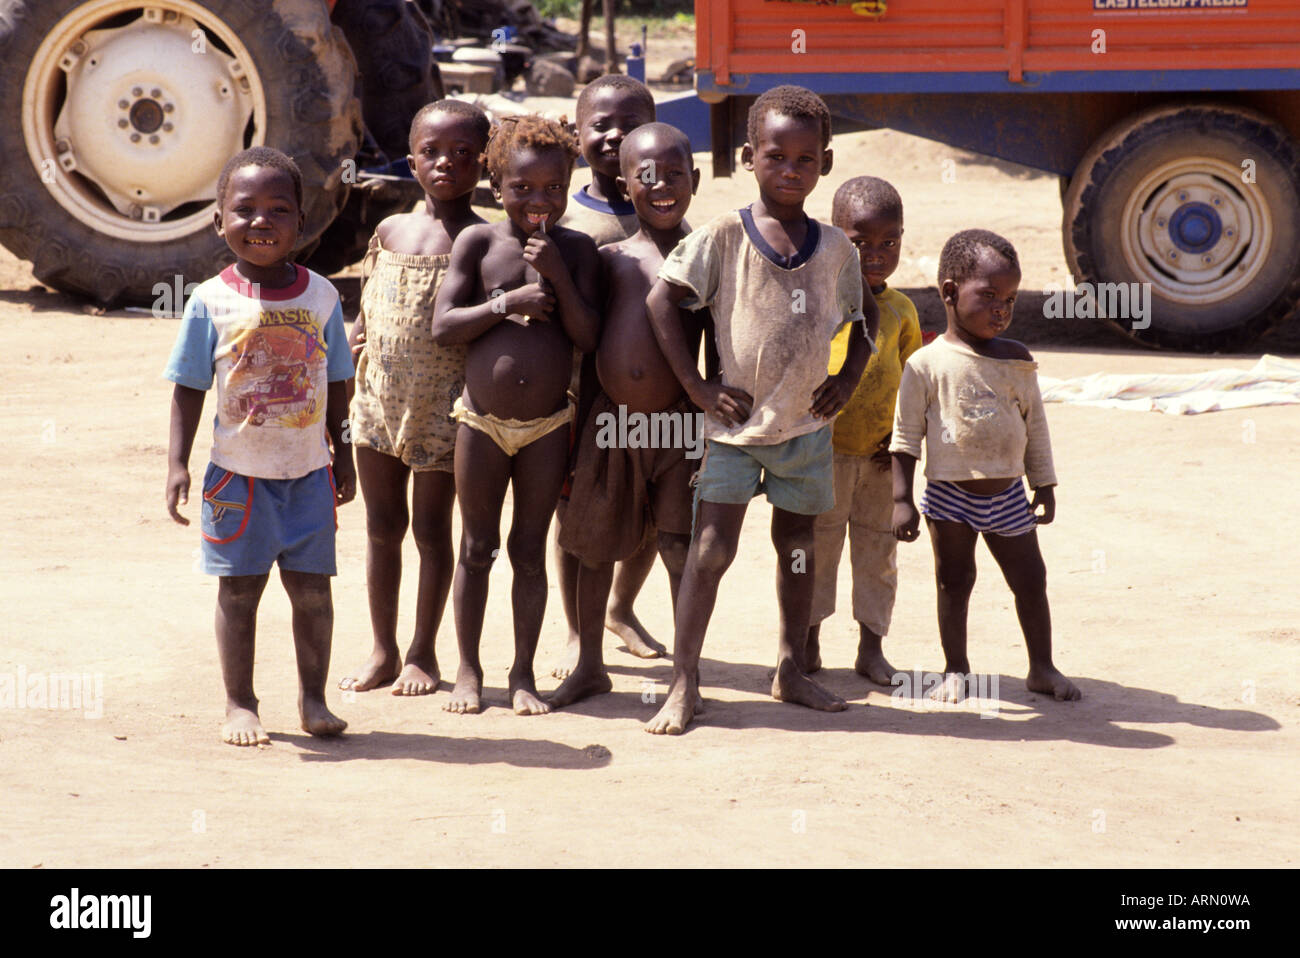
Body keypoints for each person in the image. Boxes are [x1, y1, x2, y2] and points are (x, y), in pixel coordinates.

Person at [644, 85, 879, 735]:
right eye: (776, 156)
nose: (791, 170)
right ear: (749, 157)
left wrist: (848, 377)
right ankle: (685, 680)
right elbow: (663, 302)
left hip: (805, 430)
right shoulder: (723, 236)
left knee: (797, 544)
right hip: (733, 432)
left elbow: (867, 319)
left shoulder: (836, 250)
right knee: (711, 548)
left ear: (825, 165)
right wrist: (694, 387)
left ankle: (790, 666)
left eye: (806, 160)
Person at [164, 146, 356, 746]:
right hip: (235, 478)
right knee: (239, 592)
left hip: (307, 476)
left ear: (303, 222)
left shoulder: (321, 297)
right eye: (244, 209)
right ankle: (240, 703)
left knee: (313, 592)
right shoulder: (209, 301)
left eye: (279, 209)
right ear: (219, 221)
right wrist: (175, 464)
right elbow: (190, 387)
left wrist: (343, 457)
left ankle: (314, 700)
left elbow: (339, 385)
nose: (261, 222)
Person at [431, 114, 601, 715]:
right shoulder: (478, 243)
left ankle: (523, 673)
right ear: (495, 183)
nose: (538, 201)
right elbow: (444, 325)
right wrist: (510, 302)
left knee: (529, 551)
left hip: (548, 426)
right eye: (521, 188)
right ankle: (468, 670)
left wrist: (555, 274)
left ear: (568, 184)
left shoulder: (578, 250)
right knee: (476, 547)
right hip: (480, 422)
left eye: (553, 189)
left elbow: (586, 335)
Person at [337, 100, 490, 697]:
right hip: (377, 404)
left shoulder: (482, 238)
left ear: (482, 162)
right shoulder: (389, 230)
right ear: (411, 160)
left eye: (461, 153)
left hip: (443, 412)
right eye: (431, 152)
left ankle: (422, 652)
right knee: (380, 528)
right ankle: (382, 648)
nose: (445, 163)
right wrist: (356, 334)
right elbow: (371, 303)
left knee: (431, 532)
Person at [550, 122, 705, 708]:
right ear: (623, 181)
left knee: (677, 546)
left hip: (680, 427)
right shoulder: (609, 258)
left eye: (673, 175)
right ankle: (590, 664)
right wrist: (581, 428)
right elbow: (588, 346)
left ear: (694, 179)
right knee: (591, 544)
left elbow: (720, 342)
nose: (660, 186)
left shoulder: (706, 255)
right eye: (645, 176)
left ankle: (685, 679)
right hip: (610, 427)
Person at [890, 229, 1081, 702]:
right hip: (948, 495)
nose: (1002, 309)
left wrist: (1045, 481)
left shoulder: (1017, 361)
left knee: (1031, 580)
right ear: (951, 293)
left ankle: (1042, 667)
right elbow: (905, 437)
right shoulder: (926, 363)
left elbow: (1035, 425)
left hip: (1009, 496)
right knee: (954, 582)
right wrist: (901, 500)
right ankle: (956, 670)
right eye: (990, 296)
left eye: (1011, 299)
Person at [553, 74, 664, 677]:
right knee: (577, 516)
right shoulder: (563, 212)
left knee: (649, 506)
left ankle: (621, 607)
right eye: (601, 124)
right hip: (576, 397)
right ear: (575, 133)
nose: (615, 135)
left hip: (650, 405)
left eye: (630, 124)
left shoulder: (668, 207)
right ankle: (578, 631)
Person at [808, 176, 921, 684]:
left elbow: (915, 382)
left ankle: (871, 648)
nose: (875, 254)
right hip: (821, 458)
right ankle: (805, 643)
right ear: (835, 238)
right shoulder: (817, 300)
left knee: (877, 556)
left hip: (880, 462)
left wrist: (901, 446)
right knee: (815, 553)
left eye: (889, 242)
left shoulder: (901, 311)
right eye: (859, 243)